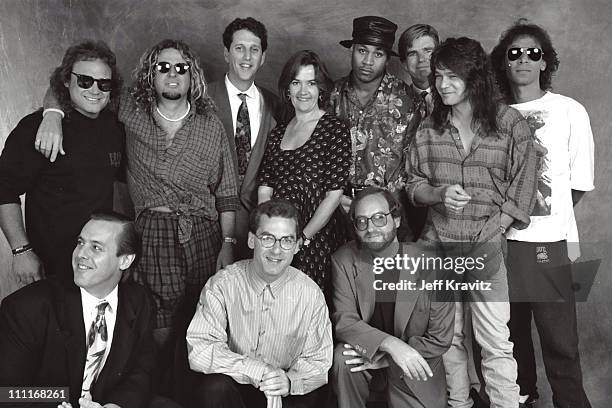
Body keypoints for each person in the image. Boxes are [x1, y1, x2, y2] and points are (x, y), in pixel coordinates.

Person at [34, 38, 239, 344]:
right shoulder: (130, 108)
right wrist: (53, 114)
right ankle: (161, 390)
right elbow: (66, 86)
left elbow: (226, 192)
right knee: (158, 326)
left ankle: (194, 390)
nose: (173, 74)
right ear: (151, 75)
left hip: (203, 234)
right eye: (163, 67)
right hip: (153, 232)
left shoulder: (211, 125)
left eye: (181, 68)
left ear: (192, 75)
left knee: (206, 322)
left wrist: (228, 243)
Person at [406, 37, 538, 408]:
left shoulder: (510, 123)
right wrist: (439, 193)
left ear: (474, 78)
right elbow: (413, 184)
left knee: (496, 339)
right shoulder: (428, 128)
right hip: (438, 243)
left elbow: (524, 181)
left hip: (486, 244)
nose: (442, 84)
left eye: (451, 77)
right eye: (438, 76)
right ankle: (459, 403)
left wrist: (500, 224)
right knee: (449, 337)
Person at [491, 20, 594, 408]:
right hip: (500, 246)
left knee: (560, 344)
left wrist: (541, 217)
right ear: (503, 62)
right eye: (514, 52)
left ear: (545, 62)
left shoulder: (569, 111)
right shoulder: (493, 114)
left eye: (533, 53)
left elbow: (580, 184)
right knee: (509, 341)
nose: (523, 59)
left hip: (549, 246)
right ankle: (523, 401)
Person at [0, 212, 180, 408]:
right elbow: (8, 392)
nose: (81, 254)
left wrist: (116, 405)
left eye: (96, 247)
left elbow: (143, 369)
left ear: (125, 261)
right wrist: (58, 403)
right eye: (80, 242)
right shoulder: (27, 307)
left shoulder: (140, 302)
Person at [0, 40, 125, 287]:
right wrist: (21, 251)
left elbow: (120, 188)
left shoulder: (115, 127)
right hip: (49, 267)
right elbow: (3, 188)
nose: (95, 90)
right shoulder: (38, 127)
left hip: (98, 267)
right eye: (85, 81)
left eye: (104, 83)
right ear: (66, 81)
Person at [187, 199, 333, 408]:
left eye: (286, 240)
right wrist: (260, 371)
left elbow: (319, 361)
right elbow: (200, 350)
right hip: (236, 385)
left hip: (285, 390)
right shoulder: (222, 284)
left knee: (309, 395)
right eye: (267, 238)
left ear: (297, 246)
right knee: (213, 388)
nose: (276, 250)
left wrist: (288, 381)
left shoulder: (310, 294)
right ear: (251, 240)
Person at [331, 187, 454, 407]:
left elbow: (440, 338)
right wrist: (390, 344)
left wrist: (389, 358)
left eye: (379, 218)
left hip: (413, 368)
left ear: (396, 219)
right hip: (365, 360)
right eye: (362, 221)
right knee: (343, 356)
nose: (370, 228)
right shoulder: (343, 260)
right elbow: (345, 322)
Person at [258, 50, 351, 294]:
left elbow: (333, 195)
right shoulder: (277, 133)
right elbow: (265, 187)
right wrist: (267, 232)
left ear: (321, 89)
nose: (303, 91)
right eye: (296, 82)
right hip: (278, 237)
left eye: (311, 83)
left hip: (316, 239)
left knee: (307, 306)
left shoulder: (334, 129)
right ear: (287, 89)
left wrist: (304, 238)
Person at [330, 16, 419, 241]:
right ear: (352, 50)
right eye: (362, 51)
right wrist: (336, 197)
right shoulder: (330, 96)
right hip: (336, 211)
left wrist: (381, 204)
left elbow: (414, 166)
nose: (368, 61)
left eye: (377, 53)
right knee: (340, 272)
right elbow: (318, 160)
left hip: (388, 215)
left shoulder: (407, 101)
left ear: (387, 58)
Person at [207, 17, 280, 259]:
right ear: (227, 53)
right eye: (240, 48)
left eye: (254, 49)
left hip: (256, 227)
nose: (247, 57)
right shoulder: (201, 99)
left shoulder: (275, 105)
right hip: (209, 224)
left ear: (263, 57)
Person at [397, 23, 440, 239]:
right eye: (412, 54)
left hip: (447, 199)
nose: (422, 59)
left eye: (428, 51)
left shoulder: (460, 98)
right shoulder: (394, 102)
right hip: (406, 202)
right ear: (404, 64)